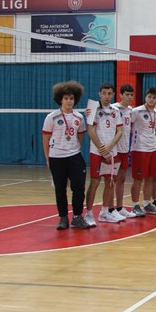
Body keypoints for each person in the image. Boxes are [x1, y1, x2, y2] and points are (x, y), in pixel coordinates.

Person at [42, 81, 89, 230]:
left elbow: (80, 136)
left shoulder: (79, 117)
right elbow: (45, 138)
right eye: (66, 98)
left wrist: (74, 149)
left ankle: (77, 217)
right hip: (56, 157)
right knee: (60, 189)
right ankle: (63, 218)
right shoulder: (52, 117)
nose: (69, 101)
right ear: (60, 100)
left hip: (74, 156)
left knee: (79, 187)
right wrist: (48, 158)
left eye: (72, 98)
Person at [85, 83, 124, 225]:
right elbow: (90, 131)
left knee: (110, 182)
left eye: (109, 93)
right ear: (99, 94)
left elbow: (119, 131)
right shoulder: (93, 108)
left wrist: (110, 146)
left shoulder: (115, 110)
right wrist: (101, 148)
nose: (107, 96)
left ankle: (105, 212)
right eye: (104, 93)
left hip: (112, 151)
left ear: (113, 94)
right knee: (95, 182)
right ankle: (89, 213)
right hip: (97, 152)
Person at [130, 87, 156, 215]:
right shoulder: (136, 111)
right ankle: (135, 205)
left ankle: (147, 204)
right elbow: (127, 126)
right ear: (145, 97)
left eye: (154, 97)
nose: (151, 99)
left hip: (152, 149)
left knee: (150, 178)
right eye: (149, 97)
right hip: (139, 149)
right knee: (138, 179)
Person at [112, 84, 136, 218]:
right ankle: (109, 209)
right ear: (121, 95)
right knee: (112, 180)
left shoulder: (131, 110)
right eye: (127, 95)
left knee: (121, 180)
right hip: (114, 150)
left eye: (131, 95)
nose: (129, 97)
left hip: (125, 149)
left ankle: (120, 207)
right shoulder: (114, 108)